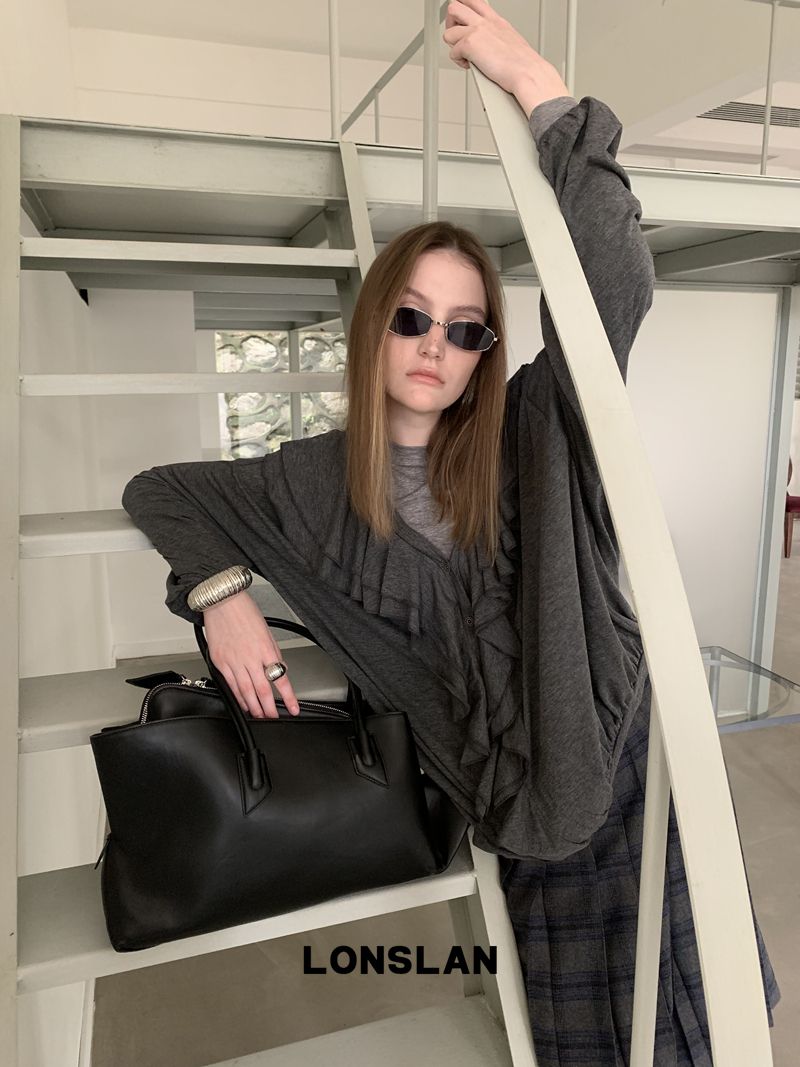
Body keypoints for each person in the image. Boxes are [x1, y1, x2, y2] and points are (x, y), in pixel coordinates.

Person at [121, 0, 779, 1062]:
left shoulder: (533, 428)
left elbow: (614, 279)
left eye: (465, 328)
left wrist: (538, 90)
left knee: (701, 1020)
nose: (436, 344)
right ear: (373, 323)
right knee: (579, 1039)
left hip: (623, 763)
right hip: (511, 808)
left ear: (483, 354)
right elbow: (160, 489)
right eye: (412, 317)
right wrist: (220, 595)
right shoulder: (307, 483)